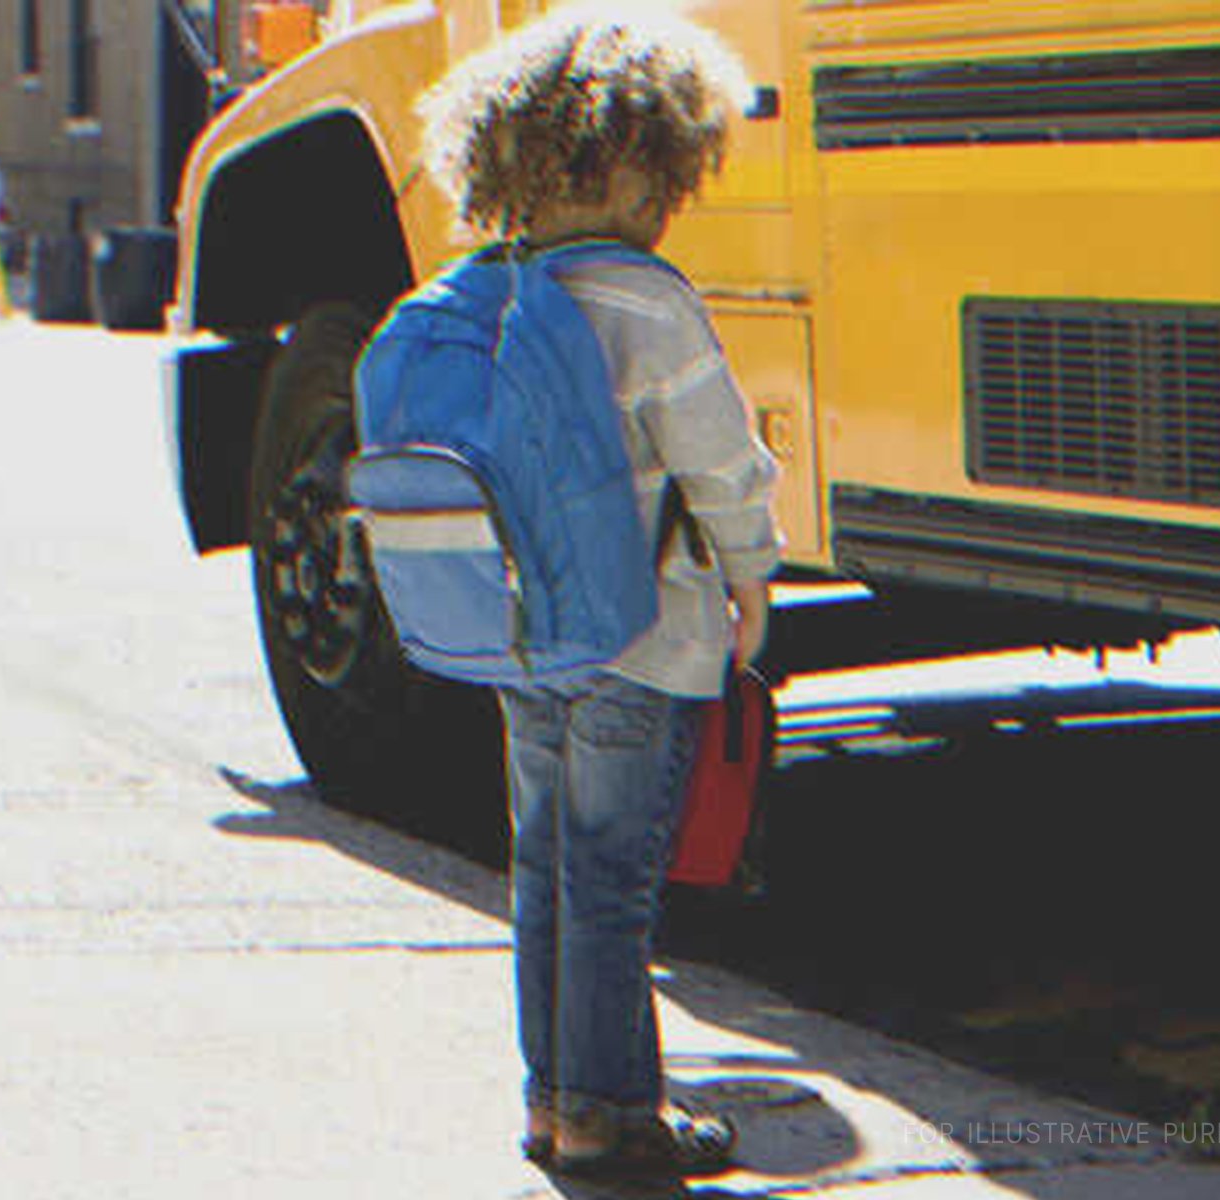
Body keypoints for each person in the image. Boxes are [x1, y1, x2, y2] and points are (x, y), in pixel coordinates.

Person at [413, 4, 782, 1181]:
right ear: (641, 164)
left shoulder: (484, 288)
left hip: (520, 642)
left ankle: (552, 1100)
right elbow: (720, 461)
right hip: (645, 637)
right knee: (615, 884)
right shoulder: (647, 299)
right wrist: (754, 575)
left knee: (546, 872)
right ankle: (603, 1115)